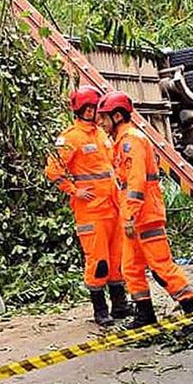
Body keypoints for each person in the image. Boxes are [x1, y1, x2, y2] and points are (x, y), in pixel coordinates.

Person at [96, 91, 193, 333]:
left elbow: (136, 184)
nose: (101, 123)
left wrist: (130, 215)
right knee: (131, 268)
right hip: (135, 217)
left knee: (162, 267)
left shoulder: (131, 141)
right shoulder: (122, 141)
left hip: (144, 217)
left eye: (104, 118)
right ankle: (145, 315)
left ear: (117, 116)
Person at [46, 85, 131, 326]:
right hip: (91, 211)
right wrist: (74, 190)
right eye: (97, 109)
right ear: (86, 109)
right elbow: (53, 169)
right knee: (98, 260)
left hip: (113, 207)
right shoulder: (71, 137)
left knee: (117, 259)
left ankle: (120, 305)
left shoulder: (102, 134)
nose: (101, 114)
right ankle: (100, 310)